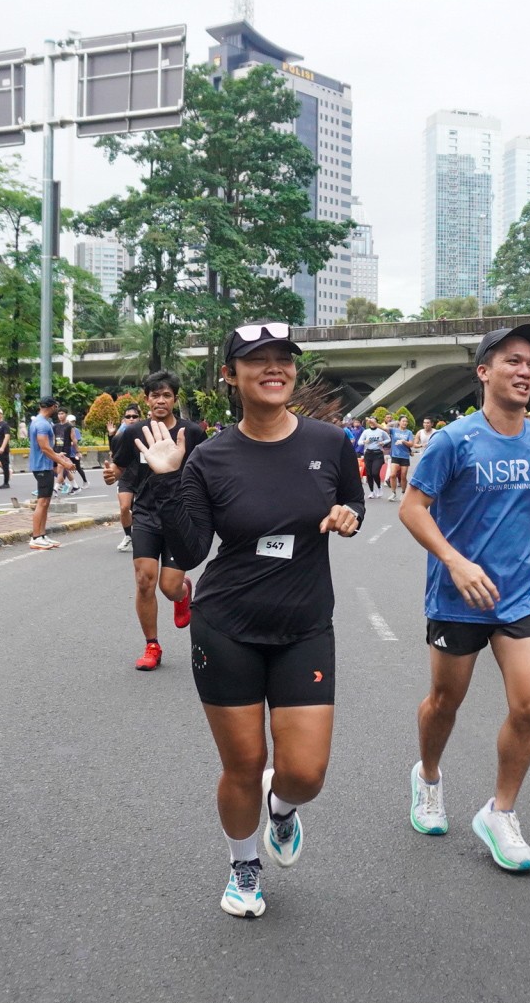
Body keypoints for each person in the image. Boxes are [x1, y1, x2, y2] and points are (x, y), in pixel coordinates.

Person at [139, 320, 364, 918]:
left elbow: (353, 500)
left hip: (305, 626)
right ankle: (244, 866)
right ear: (230, 375)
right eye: (257, 359)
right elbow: (190, 550)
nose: (274, 368)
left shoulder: (330, 443)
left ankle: (282, 808)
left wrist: (349, 516)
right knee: (243, 765)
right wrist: (167, 479)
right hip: (226, 626)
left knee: (305, 773)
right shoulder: (209, 457)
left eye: (283, 358)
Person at [399, 323, 530, 874]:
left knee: (529, 707)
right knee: (444, 702)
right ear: (484, 372)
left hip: (519, 596)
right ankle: (428, 777)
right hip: (458, 597)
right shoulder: (454, 441)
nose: (525, 371)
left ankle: (500, 812)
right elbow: (412, 508)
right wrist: (454, 561)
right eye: (512, 361)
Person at [109, 371, 207, 666]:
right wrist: (111, 475)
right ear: (146, 399)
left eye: (166, 395)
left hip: (179, 515)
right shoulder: (134, 432)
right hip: (146, 514)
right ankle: (152, 645)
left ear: (175, 399)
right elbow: (120, 467)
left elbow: (206, 471)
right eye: (155, 395)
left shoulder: (192, 433)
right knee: (144, 580)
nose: (160, 400)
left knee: (169, 587)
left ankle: (183, 592)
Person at [26, 396, 64, 550]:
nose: (57, 409)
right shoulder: (42, 424)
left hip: (44, 465)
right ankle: (36, 537)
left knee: (46, 501)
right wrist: (63, 462)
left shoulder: (40, 421)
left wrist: (57, 456)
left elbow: (46, 448)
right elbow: (45, 448)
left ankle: (42, 534)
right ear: (52, 406)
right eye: (56, 407)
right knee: (42, 502)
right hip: (42, 466)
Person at [107, 405, 142, 551]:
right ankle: (128, 535)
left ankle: (143, 536)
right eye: (128, 417)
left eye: (134, 416)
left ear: (140, 418)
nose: (131, 419)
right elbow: (114, 457)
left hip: (143, 478)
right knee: (124, 507)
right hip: (126, 477)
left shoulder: (146, 435)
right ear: (123, 420)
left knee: (140, 510)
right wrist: (111, 436)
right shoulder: (118, 437)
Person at [357, 417, 389, 497]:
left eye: (373, 422)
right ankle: (372, 491)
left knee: (375, 473)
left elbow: (388, 439)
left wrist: (383, 442)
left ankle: (379, 487)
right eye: (370, 422)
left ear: (376, 423)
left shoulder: (381, 431)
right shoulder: (366, 431)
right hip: (368, 454)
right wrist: (365, 441)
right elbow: (359, 442)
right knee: (369, 474)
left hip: (378, 454)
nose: (372, 423)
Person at [386, 416, 414, 502]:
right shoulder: (394, 430)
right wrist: (374, 423)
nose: (405, 423)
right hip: (395, 456)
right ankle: (393, 493)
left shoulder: (409, 432)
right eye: (403, 421)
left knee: (403, 476)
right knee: (392, 475)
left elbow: (411, 444)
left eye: (406, 421)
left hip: (405, 456)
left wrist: (403, 441)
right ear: (399, 422)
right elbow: (384, 428)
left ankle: (403, 492)